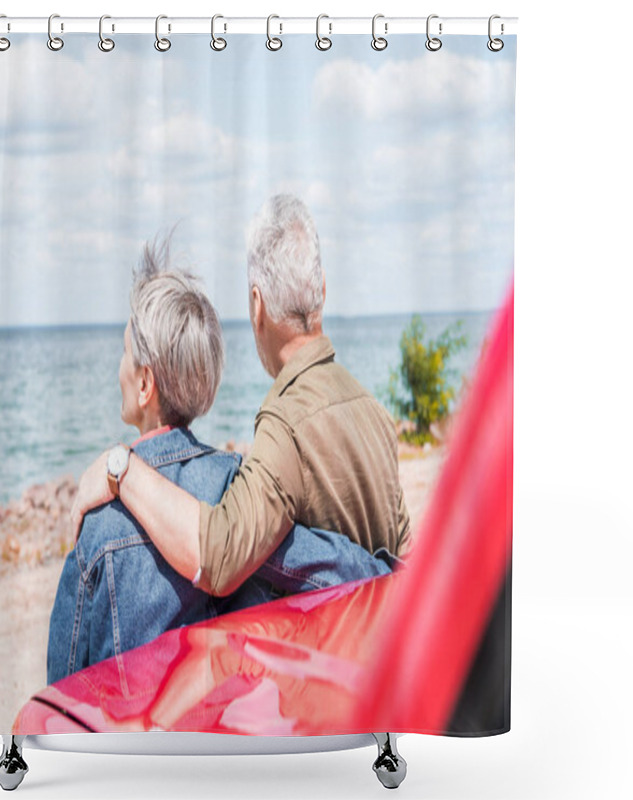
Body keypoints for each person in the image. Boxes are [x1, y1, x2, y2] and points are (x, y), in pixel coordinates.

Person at [47, 232, 390, 685]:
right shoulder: (238, 494)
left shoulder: (101, 524)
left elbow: (64, 697)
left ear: (145, 384)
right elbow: (358, 575)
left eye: (125, 354)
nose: (118, 369)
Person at [70, 195, 411, 603]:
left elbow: (219, 556)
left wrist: (119, 468)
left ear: (256, 304)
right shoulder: (371, 409)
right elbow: (404, 550)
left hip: (332, 656)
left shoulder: (286, 421)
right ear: (322, 289)